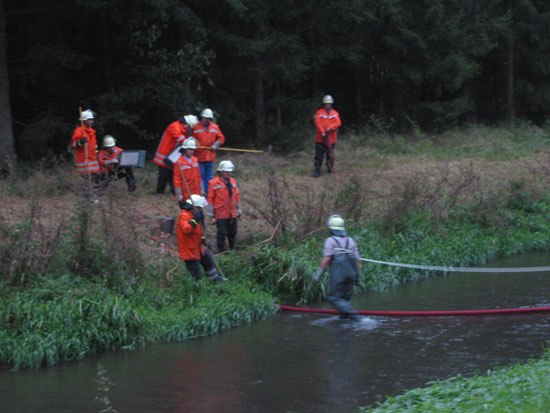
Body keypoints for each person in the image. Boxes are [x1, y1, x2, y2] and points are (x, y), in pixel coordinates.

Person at [313, 215, 361, 321]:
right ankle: (345, 323)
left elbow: (326, 260)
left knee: (334, 297)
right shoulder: (351, 241)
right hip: (351, 276)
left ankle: (357, 318)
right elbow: (357, 261)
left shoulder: (331, 241)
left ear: (332, 228)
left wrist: (318, 275)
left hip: (339, 276)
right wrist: (356, 277)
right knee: (344, 300)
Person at [176, 194, 228, 283]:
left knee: (208, 262)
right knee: (195, 272)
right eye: (199, 208)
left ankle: (215, 281)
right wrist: (194, 220)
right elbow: (186, 229)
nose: (200, 210)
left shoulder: (194, 215)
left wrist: (203, 239)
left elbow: (198, 232)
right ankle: (196, 289)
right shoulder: (184, 216)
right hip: (189, 250)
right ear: (193, 207)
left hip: (197, 248)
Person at [153, 115, 198, 194]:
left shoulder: (181, 129)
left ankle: (174, 191)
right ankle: (159, 192)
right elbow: (183, 141)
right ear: (186, 123)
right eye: (189, 127)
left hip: (171, 155)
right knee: (164, 174)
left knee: (173, 173)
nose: (189, 129)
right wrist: (192, 144)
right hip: (164, 154)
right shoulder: (174, 127)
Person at [206, 160, 241, 252]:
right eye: (227, 172)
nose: (229, 173)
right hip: (221, 213)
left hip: (232, 212)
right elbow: (210, 198)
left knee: (233, 232)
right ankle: (221, 251)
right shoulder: (213, 183)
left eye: (230, 171)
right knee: (222, 233)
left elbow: (237, 195)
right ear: (221, 172)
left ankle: (232, 249)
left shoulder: (233, 181)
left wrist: (239, 208)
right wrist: (210, 211)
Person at [191, 108, 225, 194]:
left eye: (208, 118)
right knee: (200, 175)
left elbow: (221, 138)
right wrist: (195, 145)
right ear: (202, 117)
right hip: (199, 156)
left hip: (210, 155)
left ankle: (209, 192)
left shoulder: (215, 127)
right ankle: (202, 192)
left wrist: (216, 145)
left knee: (209, 176)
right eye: (205, 118)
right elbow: (192, 139)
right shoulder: (196, 127)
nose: (206, 120)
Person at [312, 95, 341, 177]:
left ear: (331, 104)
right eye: (325, 104)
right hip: (320, 139)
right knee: (318, 155)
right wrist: (323, 132)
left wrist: (330, 128)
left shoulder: (335, 114)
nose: (327, 105)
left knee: (330, 155)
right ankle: (317, 172)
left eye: (328, 103)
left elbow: (338, 123)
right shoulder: (319, 112)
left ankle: (330, 170)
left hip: (331, 139)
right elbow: (317, 123)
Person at [71, 109, 100, 184]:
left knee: (95, 179)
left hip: (93, 161)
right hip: (84, 161)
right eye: (90, 120)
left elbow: (95, 147)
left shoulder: (92, 132)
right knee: (88, 181)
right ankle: (88, 194)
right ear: (85, 121)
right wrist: (80, 142)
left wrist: (97, 154)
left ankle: (95, 194)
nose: (92, 122)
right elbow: (74, 145)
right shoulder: (79, 131)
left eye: (92, 120)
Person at [173, 138, 202, 208]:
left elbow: (199, 176)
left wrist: (202, 189)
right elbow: (177, 180)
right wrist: (179, 194)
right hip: (186, 194)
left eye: (193, 150)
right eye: (190, 149)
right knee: (188, 215)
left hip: (196, 193)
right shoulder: (178, 163)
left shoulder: (195, 160)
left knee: (198, 215)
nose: (192, 151)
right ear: (185, 149)